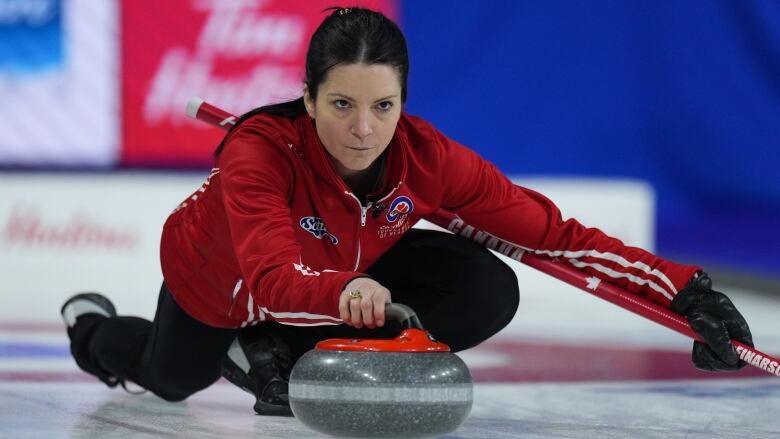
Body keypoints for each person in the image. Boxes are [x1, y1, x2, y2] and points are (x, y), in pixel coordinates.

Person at [61, 7, 753, 416]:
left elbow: (555, 237)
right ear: (307, 99)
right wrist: (347, 293)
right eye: (342, 105)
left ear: (404, 102)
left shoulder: (427, 158)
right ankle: (90, 326)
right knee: (171, 377)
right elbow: (271, 280)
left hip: (339, 271)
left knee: (488, 284)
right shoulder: (258, 156)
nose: (364, 129)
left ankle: (281, 350)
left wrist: (685, 290)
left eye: (382, 107)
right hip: (220, 281)